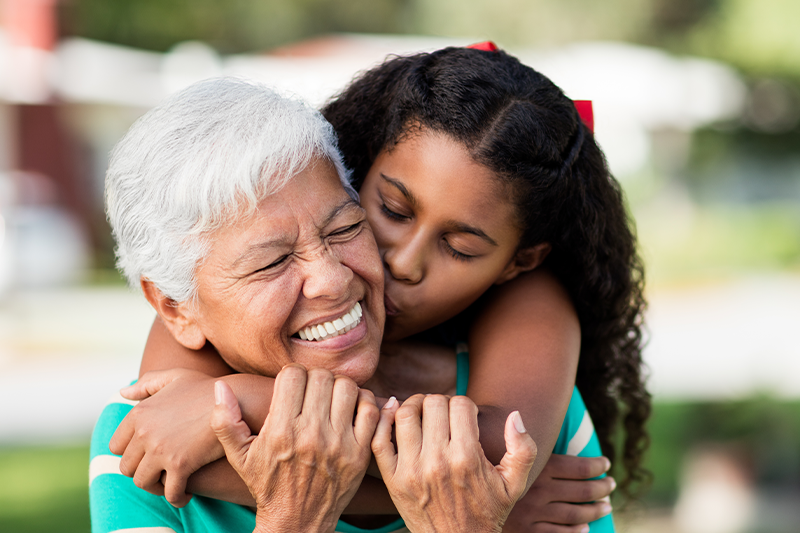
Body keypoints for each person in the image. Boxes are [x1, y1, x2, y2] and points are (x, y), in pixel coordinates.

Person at [109, 45, 647, 532]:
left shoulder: (531, 301)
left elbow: (495, 455)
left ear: (517, 263)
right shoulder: (189, 317)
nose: (403, 262)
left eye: (460, 247)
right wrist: (484, 499)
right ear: (356, 172)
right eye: (390, 211)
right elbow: (162, 442)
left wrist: (241, 405)